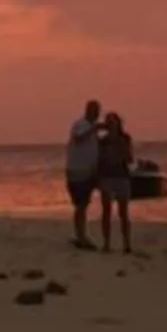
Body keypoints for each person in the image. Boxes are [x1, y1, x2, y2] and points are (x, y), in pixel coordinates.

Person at [94, 107, 136, 254]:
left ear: (118, 123)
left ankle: (127, 244)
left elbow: (129, 158)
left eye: (113, 122)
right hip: (106, 177)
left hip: (121, 177)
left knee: (123, 213)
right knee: (106, 212)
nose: (111, 125)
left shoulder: (125, 139)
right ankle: (107, 244)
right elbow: (98, 159)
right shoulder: (102, 141)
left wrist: (121, 149)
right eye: (108, 122)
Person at [64, 99, 103, 250]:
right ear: (87, 111)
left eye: (97, 111)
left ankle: (81, 234)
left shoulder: (91, 129)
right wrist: (94, 129)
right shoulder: (81, 125)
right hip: (77, 172)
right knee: (80, 205)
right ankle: (81, 236)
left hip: (88, 172)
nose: (96, 114)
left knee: (83, 205)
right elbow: (78, 137)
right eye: (93, 111)